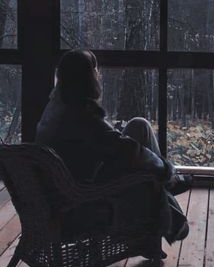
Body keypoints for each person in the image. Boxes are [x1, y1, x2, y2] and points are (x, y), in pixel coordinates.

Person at [36, 49, 191, 250]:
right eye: (95, 71)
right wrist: (164, 168)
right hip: (83, 194)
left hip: (74, 179)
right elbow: (126, 150)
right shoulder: (81, 115)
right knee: (137, 162)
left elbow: (108, 143)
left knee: (139, 126)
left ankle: (167, 183)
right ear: (87, 78)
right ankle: (172, 206)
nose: (98, 75)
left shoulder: (57, 107)